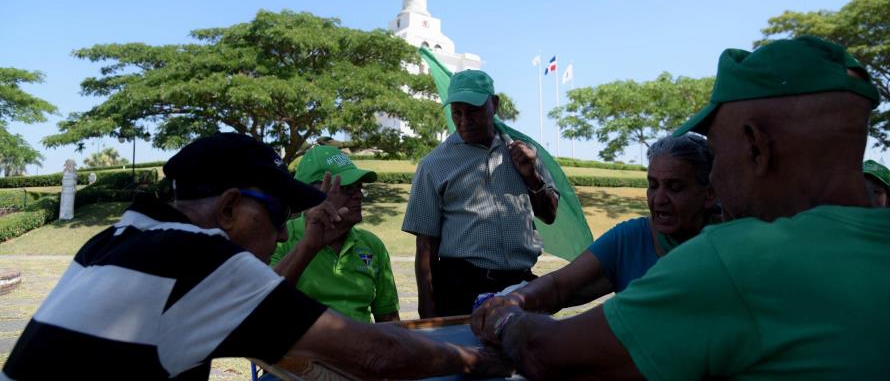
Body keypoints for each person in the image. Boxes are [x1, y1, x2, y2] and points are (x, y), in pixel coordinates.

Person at [472, 36, 890, 379]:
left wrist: (508, 321)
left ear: (755, 145)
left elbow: (551, 356)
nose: (716, 174)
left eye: (718, 148)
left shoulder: (736, 258)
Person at [2, 133, 509, 380]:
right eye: (280, 212)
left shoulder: (113, 238)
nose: (285, 229)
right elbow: (375, 354)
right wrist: (474, 360)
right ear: (228, 207)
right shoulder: (203, 261)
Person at [473, 133, 717, 316]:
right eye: (653, 185)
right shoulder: (630, 239)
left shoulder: (733, 248)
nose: (659, 199)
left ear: (710, 193)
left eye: (675, 187)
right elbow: (560, 286)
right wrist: (508, 302)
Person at [402, 69, 559, 318]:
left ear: (494, 104)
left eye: (473, 111)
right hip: (461, 289)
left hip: (519, 286)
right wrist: (428, 315)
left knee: (525, 355)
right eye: (457, 112)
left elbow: (549, 214)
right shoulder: (433, 165)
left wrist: (531, 175)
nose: (464, 120)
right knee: (465, 356)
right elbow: (426, 246)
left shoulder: (523, 152)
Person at [270, 145, 400, 323]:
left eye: (359, 187)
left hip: (363, 347)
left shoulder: (372, 244)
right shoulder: (280, 239)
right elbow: (263, 305)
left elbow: (389, 319)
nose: (359, 195)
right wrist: (308, 247)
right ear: (312, 193)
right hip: (303, 350)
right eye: (347, 188)